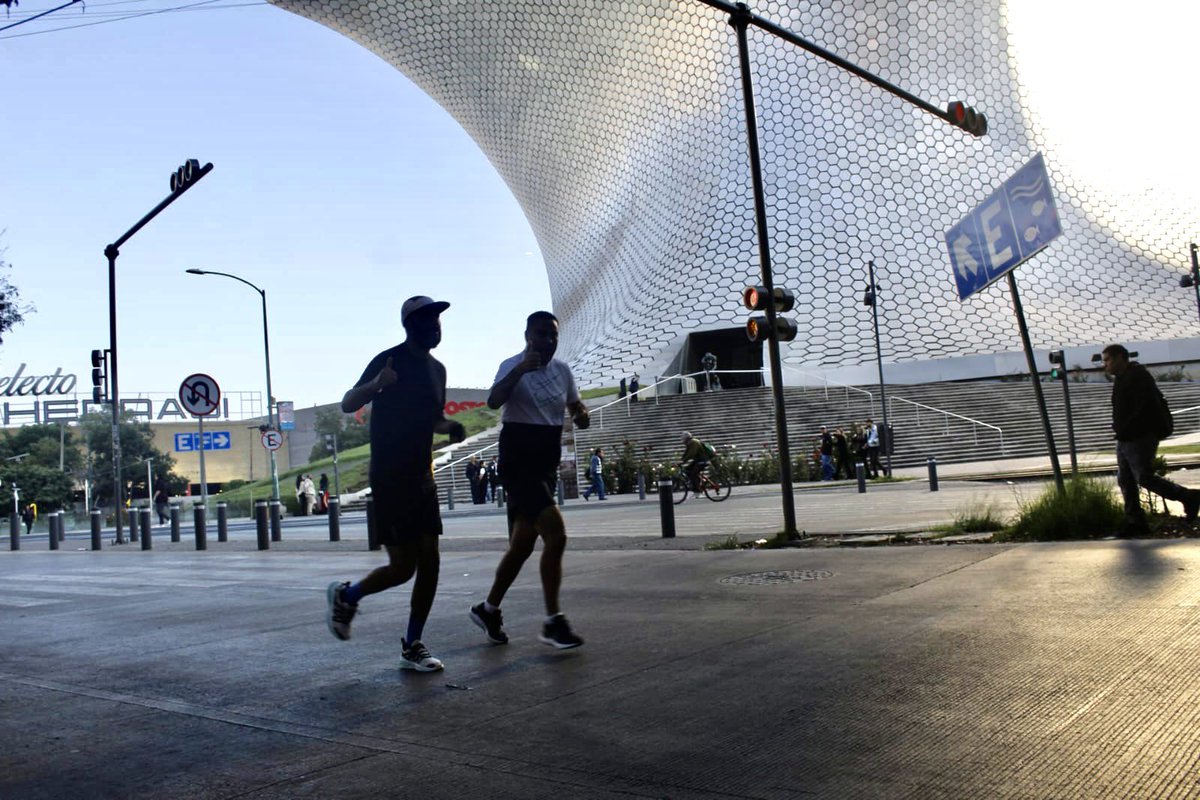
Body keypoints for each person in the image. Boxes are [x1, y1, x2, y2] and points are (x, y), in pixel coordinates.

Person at [325, 295, 466, 672]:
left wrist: (450, 427)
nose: (436, 326)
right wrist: (377, 383)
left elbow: (433, 418)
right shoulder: (389, 360)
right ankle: (347, 595)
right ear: (409, 326)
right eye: (428, 320)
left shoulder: (438, 370)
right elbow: (347, 402)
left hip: (422, 475)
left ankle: (413, 642)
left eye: (438, 319)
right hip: (389, 477)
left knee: (431, 561)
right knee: (403, 567)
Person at [469, 310, 590, 650]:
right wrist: (521, 368)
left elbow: (576, 406)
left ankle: (488, 608)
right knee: (557, 535)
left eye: (553, 335)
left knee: (522, 546)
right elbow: (494, 401)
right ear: (527, 336)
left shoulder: (562, 371)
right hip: (518, 461)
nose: (548, 341)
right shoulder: (511, 365)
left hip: (545, 463)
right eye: (541, 334)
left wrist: (581, 414)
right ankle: (553, 621)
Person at [1103, 344, 1200, 533]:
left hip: (1139, 436)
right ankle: (1135, 522)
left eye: (1108, 359)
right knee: (1126, 480)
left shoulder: (1138, 376)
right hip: (1125, 437)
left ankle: (1188, 496)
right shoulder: (1122, 378)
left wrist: (1127, 428)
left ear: (1121, 358)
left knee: (1143, 477)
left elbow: (1144, 407)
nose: (1105, 364)